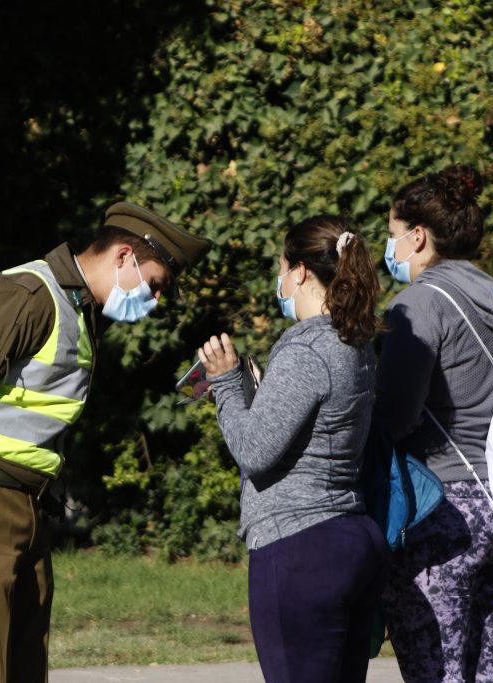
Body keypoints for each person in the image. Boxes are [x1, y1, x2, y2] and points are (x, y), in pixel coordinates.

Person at [0, 202, 211, 682]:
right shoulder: (27, 294)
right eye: (156, 284)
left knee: (24, 667)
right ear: (123, 256)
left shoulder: (76, 306)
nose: (156, 300)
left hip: (24, 502)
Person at [198, 216, 386, 683]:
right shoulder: (356, 341)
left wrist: (225, 383)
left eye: (282, 269)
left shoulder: (306, 347)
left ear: (301, 272)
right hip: (351, 536)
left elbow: (254, 451)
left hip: (300, 547)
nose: (280, 281)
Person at [375, 165, 493, 683]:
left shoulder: (419, 303)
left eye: (392, 234)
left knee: (436, 668)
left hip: (441, 507)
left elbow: (396, 415)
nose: (389, 247)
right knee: (484, 666)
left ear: (417, 236)